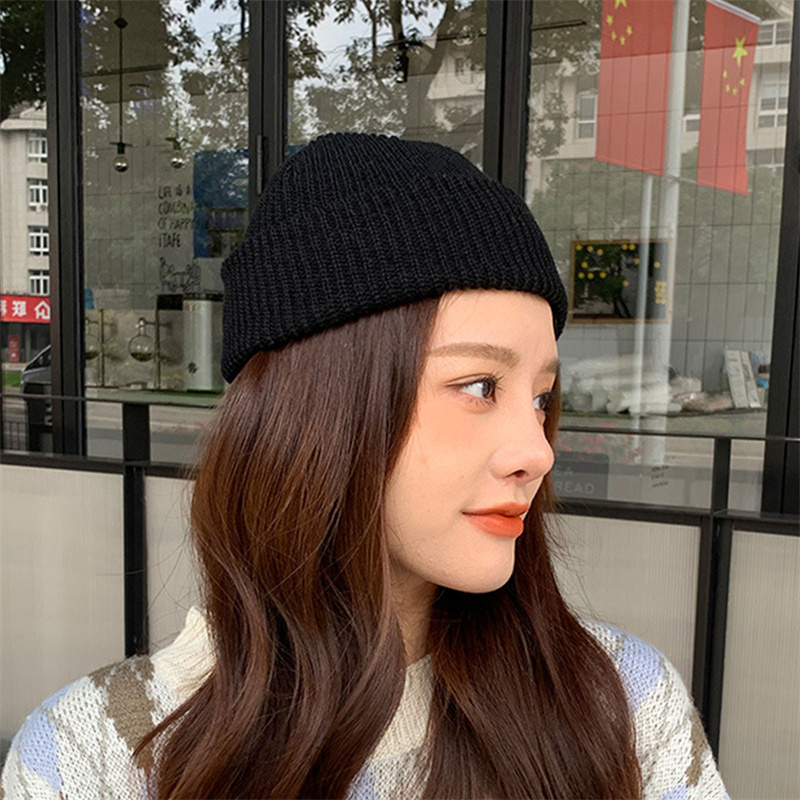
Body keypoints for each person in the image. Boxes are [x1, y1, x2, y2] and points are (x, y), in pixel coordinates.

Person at [1, 133, 728, 800]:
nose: (538, 452)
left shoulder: (623, 705)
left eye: (541, 398)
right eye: (480, 386)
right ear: (318, 413)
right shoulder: (94, 756)